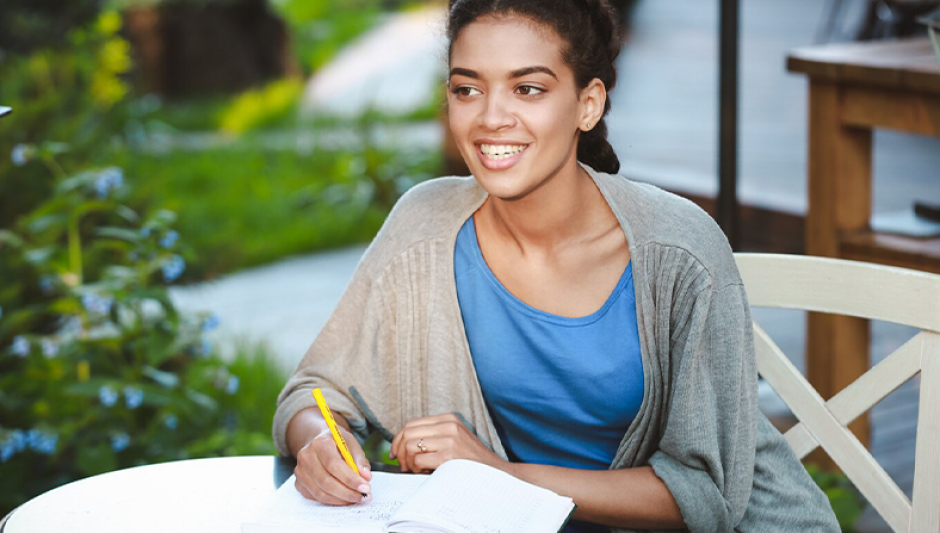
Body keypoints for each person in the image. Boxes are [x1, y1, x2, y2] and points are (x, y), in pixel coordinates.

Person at [273, 0, 840, 531]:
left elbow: (705, 495)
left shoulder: (679, 252)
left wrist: (499, 477)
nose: (491, 118)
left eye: (527, 88)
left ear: (587, 104)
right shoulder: (424, 225)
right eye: (468, 89)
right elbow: (316, 390)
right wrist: (322, 443)